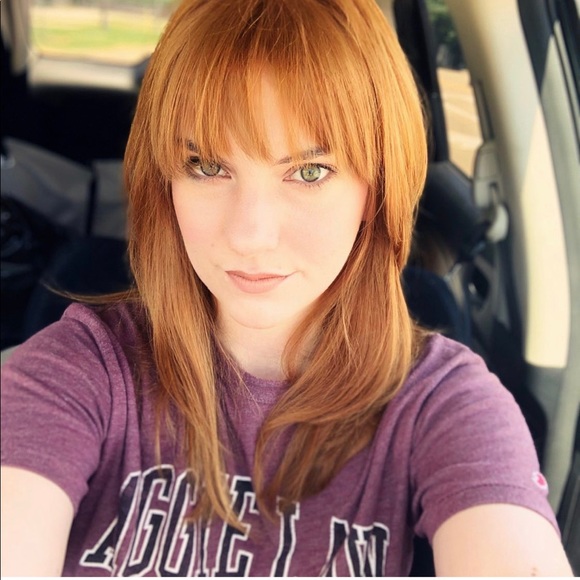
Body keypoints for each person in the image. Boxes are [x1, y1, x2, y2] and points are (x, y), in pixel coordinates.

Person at [0, 0, 573, 576]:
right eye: (207, 167)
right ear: (165, 179)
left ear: (374, 190)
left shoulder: (444, 405)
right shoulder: (79, 369)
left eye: (308, 172)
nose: (250, 235)